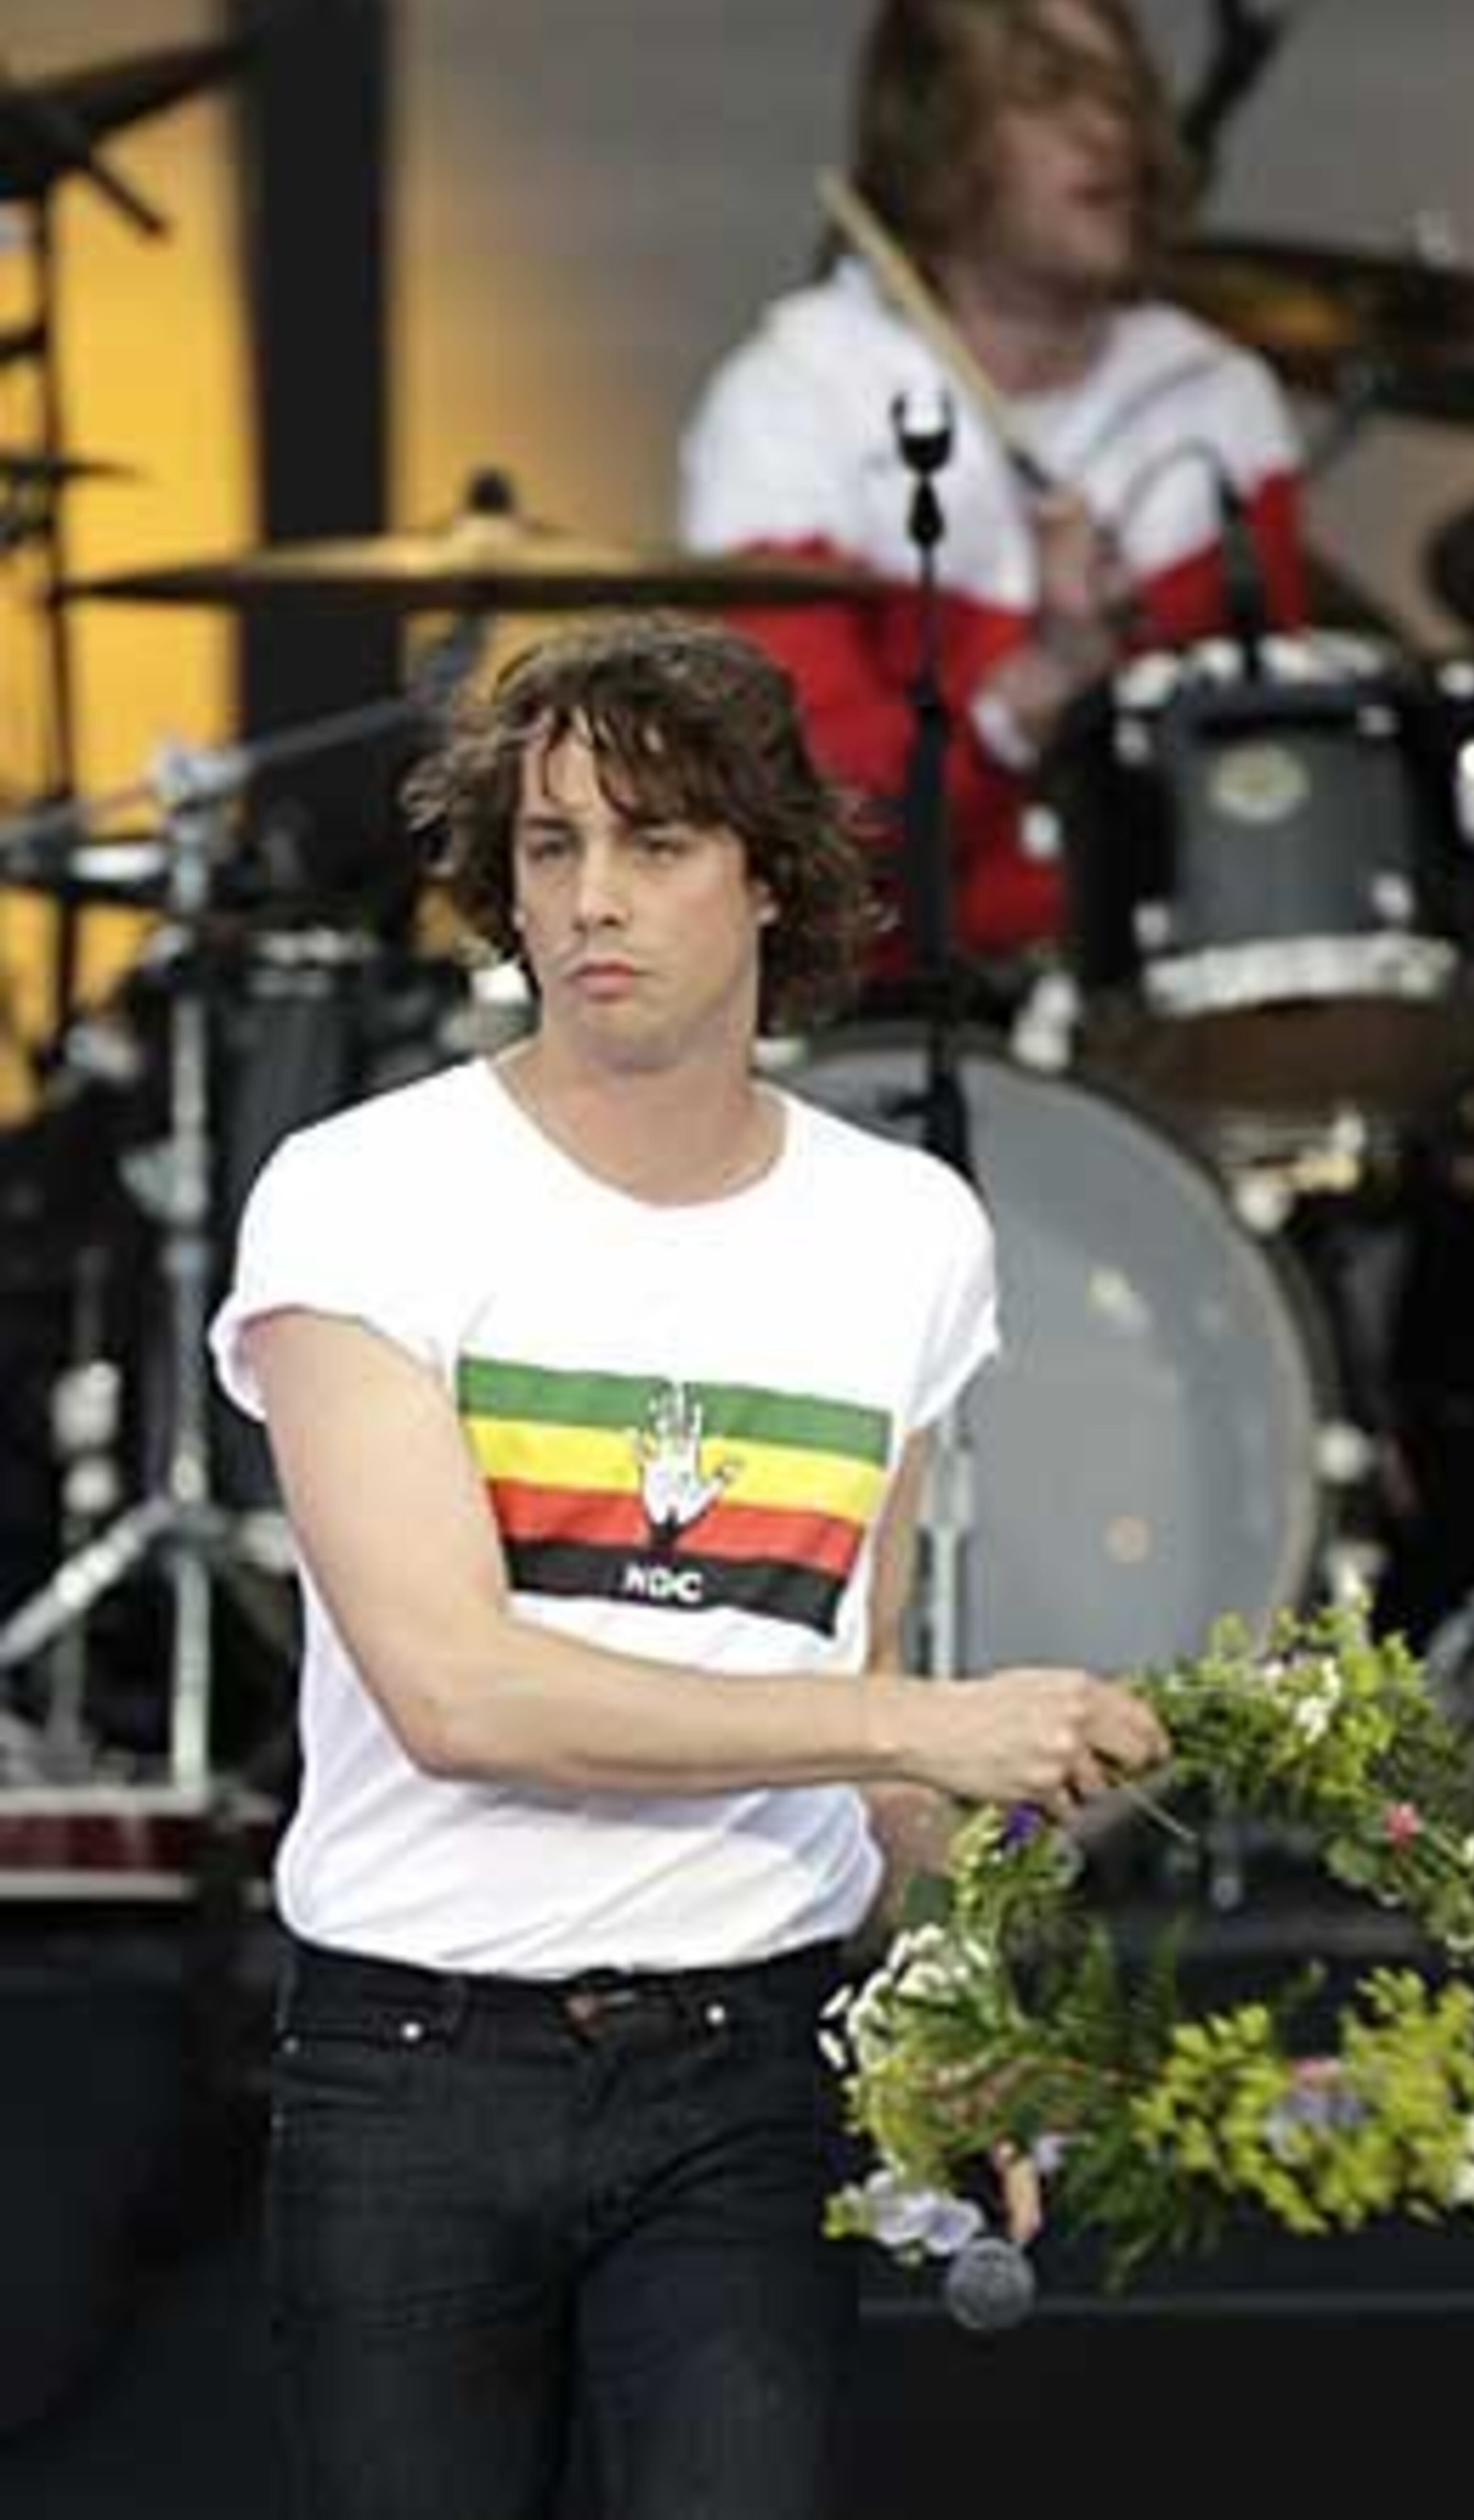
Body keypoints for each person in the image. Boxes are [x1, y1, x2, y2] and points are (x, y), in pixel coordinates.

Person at [206, 614, 1166, 2520]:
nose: (591, 898)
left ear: (769, 876)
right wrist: (922, 1721)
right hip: (416, 2055)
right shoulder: (363, 1189)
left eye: (653, 842)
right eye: (551, 845)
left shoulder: (904, 1233)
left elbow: (867, 1721)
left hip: (748, 2058)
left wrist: (975, 1978)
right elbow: (461, 1694)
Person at [678, 0, 1307, 993]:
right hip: (886, 1017)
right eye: (1050, 96)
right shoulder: (798, 400)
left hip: (1165, 1017)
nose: (1109, 136)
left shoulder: (1216, 406)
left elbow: (1271, 794)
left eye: (1123, 97)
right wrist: (1031, 693)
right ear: (939, 136)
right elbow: (797, 817)